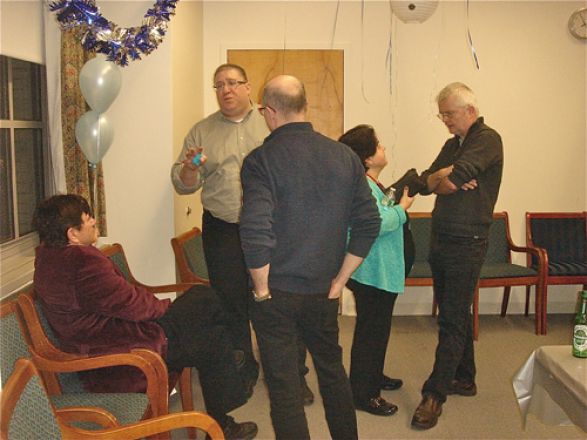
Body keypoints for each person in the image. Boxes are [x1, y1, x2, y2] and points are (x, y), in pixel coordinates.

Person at [32, 194, 258, 440]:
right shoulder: (82, 262)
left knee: (208, 333)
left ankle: (223, 416)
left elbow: (120, 301)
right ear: (72, 234)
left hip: (111, 340)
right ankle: (223, 408)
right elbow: (130, 304)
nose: (94, 222)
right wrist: (167, 309)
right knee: (204, 303)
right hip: (120, 355)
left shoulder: (49, 259)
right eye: (88, 220)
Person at [239, 75, 381, 439]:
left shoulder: (261, 160)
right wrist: (341, 280)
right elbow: (368, 223)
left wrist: (261, 291)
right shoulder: (345, 156)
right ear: (304, 107)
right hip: (324, 291)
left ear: (269, 112)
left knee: (285, 386)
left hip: (277, 293)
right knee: (332, 372)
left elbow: (255, 233)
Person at [170, 64, 314, 403]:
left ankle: (294, 376)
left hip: (272, 228)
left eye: (233, 83)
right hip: (223, 229)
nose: (226, 90)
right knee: (232, 304)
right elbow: (183, 184)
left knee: (281, 302)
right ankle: (243, 373)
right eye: (219, 84)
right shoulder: (202, 131)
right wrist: (191, 168)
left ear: (249, 88)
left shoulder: (272, 121)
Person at [411, 82, 503, 430]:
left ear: (470, 111)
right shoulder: (454, 145)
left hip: (468, 240)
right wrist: (445, 174)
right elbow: (425, 182)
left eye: (449, 113)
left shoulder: (487, 139)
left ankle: (435, 395)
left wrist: (449, 176)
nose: (445, 119)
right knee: (456, 311)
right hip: (442, 236)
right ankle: (465, 377)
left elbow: (450, 183)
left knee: (450, 318)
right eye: (442, 114)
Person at [338, 125, 415, 417]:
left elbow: (378, 214)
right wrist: (402, 209)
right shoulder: (360, 185)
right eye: (378, 145)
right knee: (371, 331)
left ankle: (373, 375)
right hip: (372, 272)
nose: (383, 148)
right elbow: (377, 224)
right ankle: (364, 393)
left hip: (379, 271)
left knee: (377, 329)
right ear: (367, 158)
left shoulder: (368, 184)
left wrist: (393, 204)